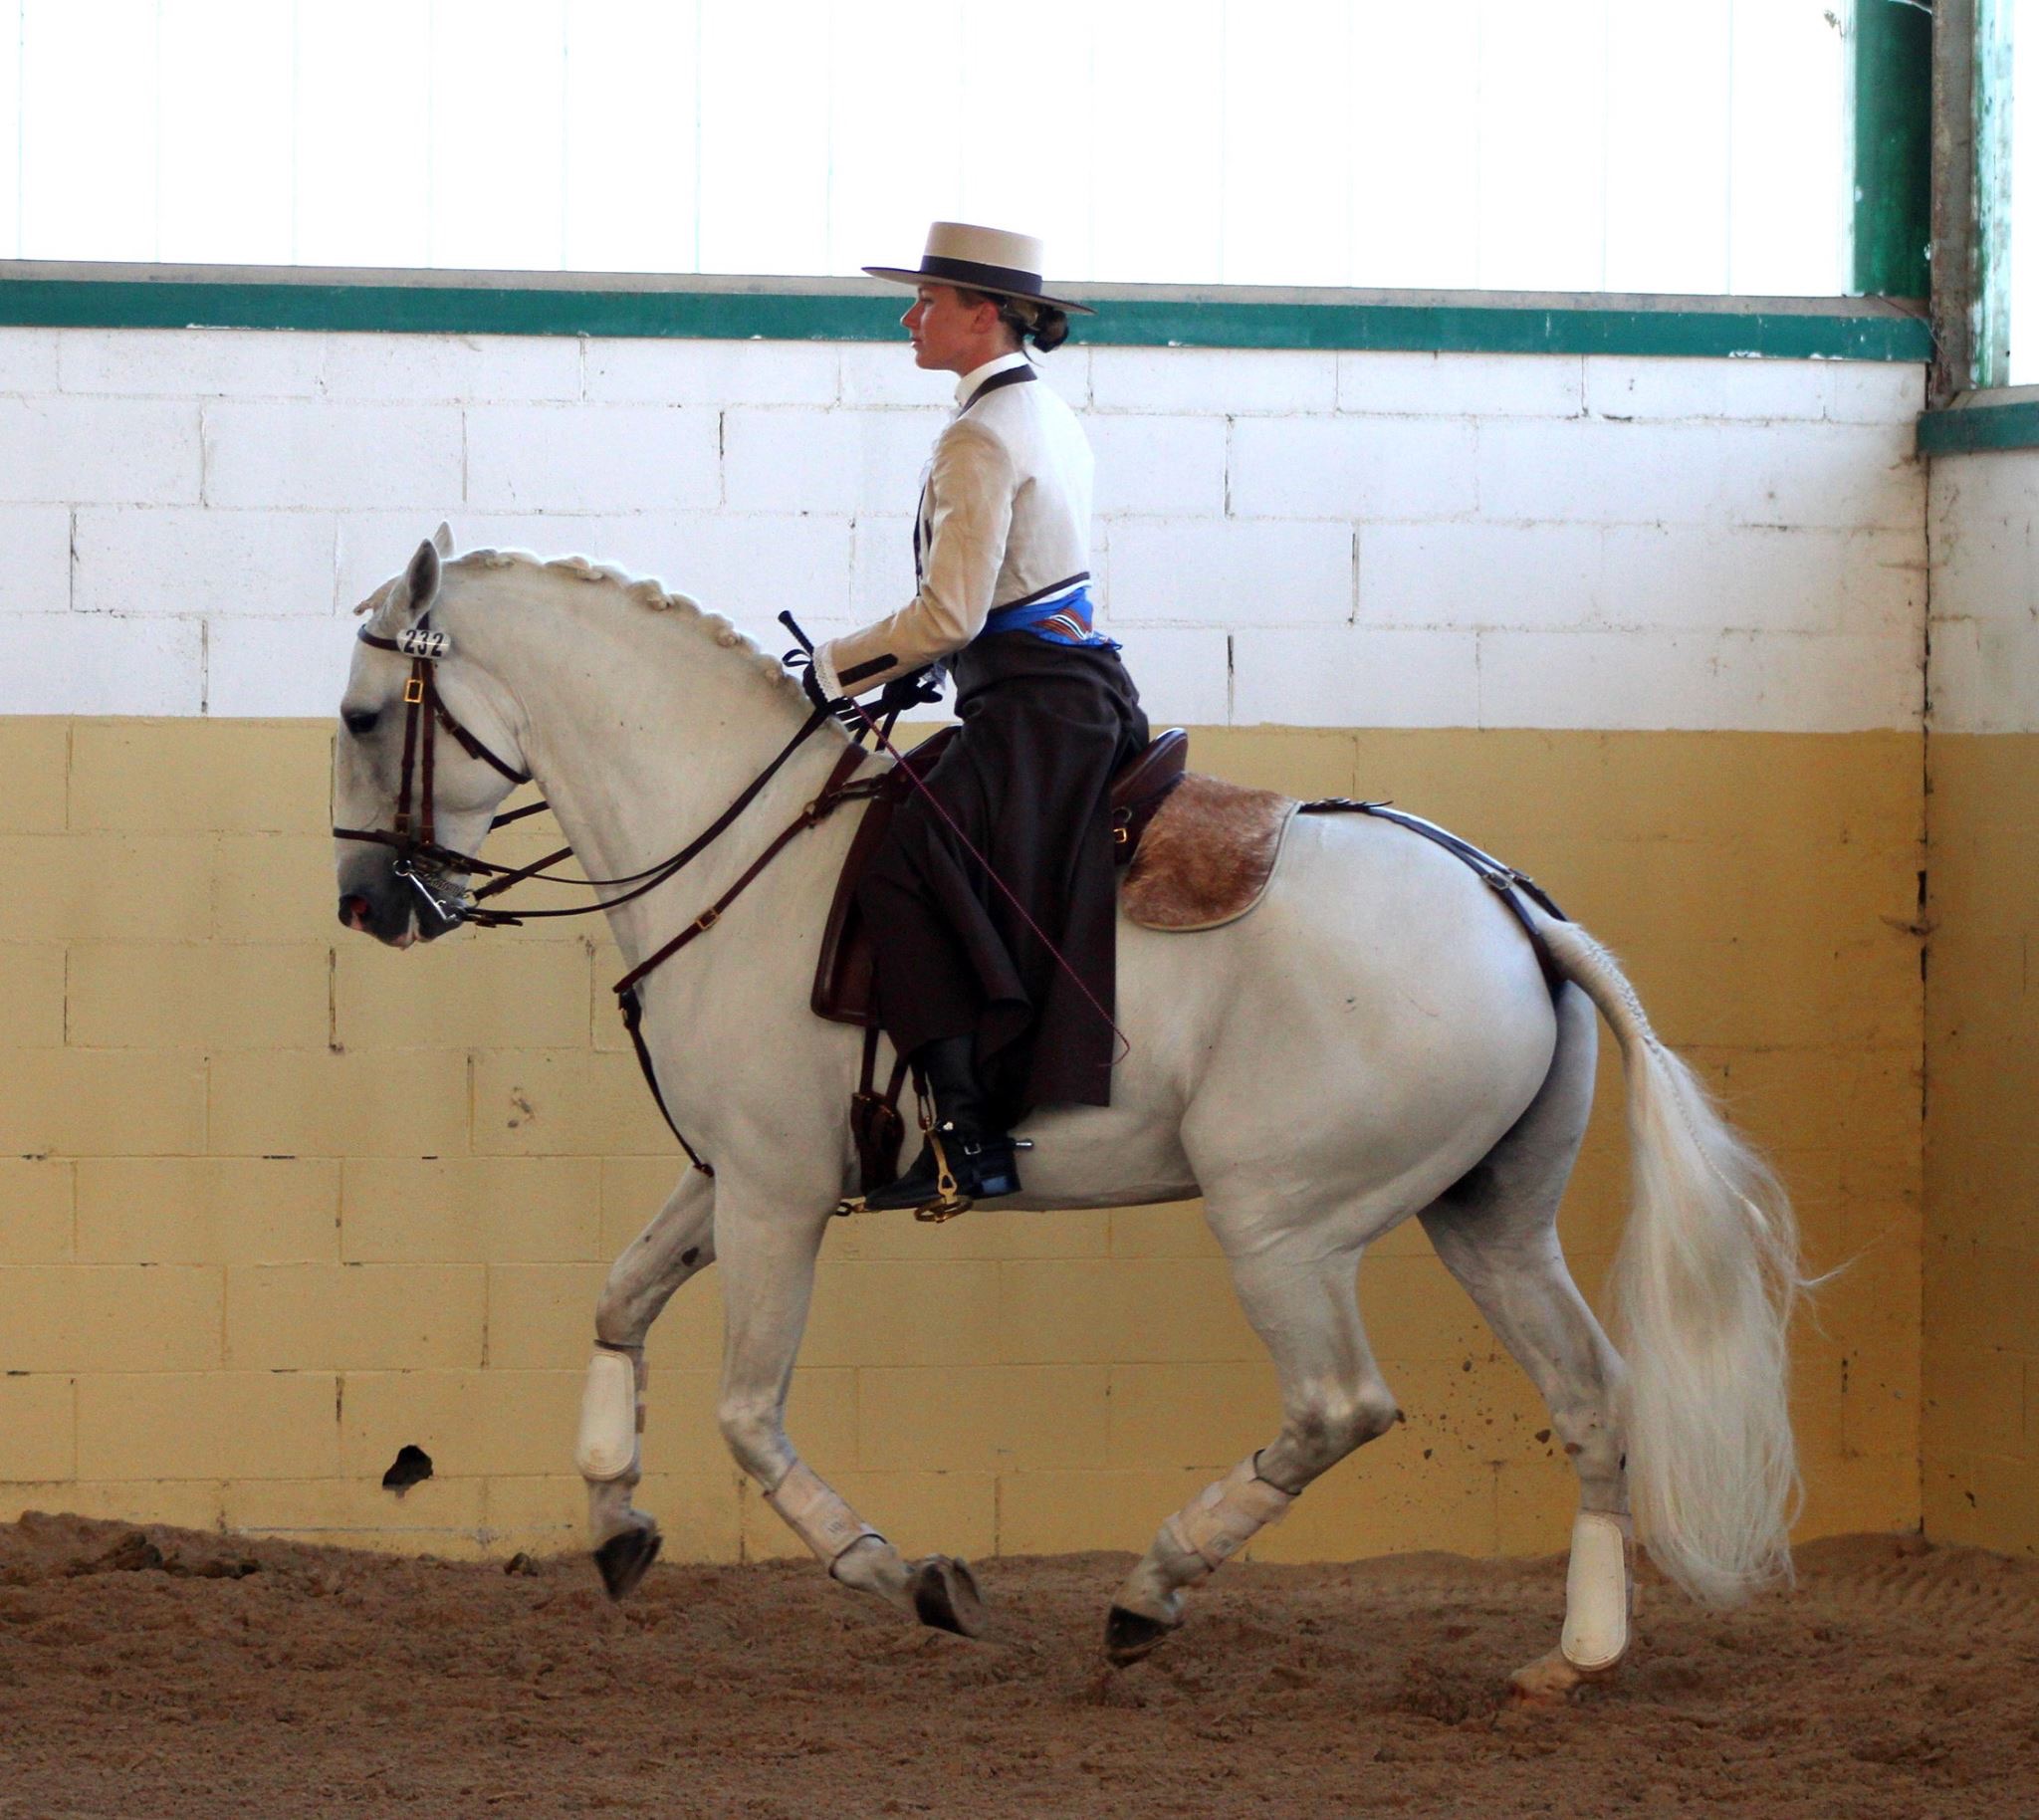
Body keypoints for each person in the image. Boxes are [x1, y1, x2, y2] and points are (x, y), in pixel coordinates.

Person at [790, 222, 1148, 1214]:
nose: (910, 317)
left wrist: (830, 671)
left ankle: (963, 1131)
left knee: (900, 861)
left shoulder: (977, 434)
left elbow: (948, 614)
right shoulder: (1044, 415)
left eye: (925, 302)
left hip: (1033, 709)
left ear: (980, 312)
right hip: (1061, 692)